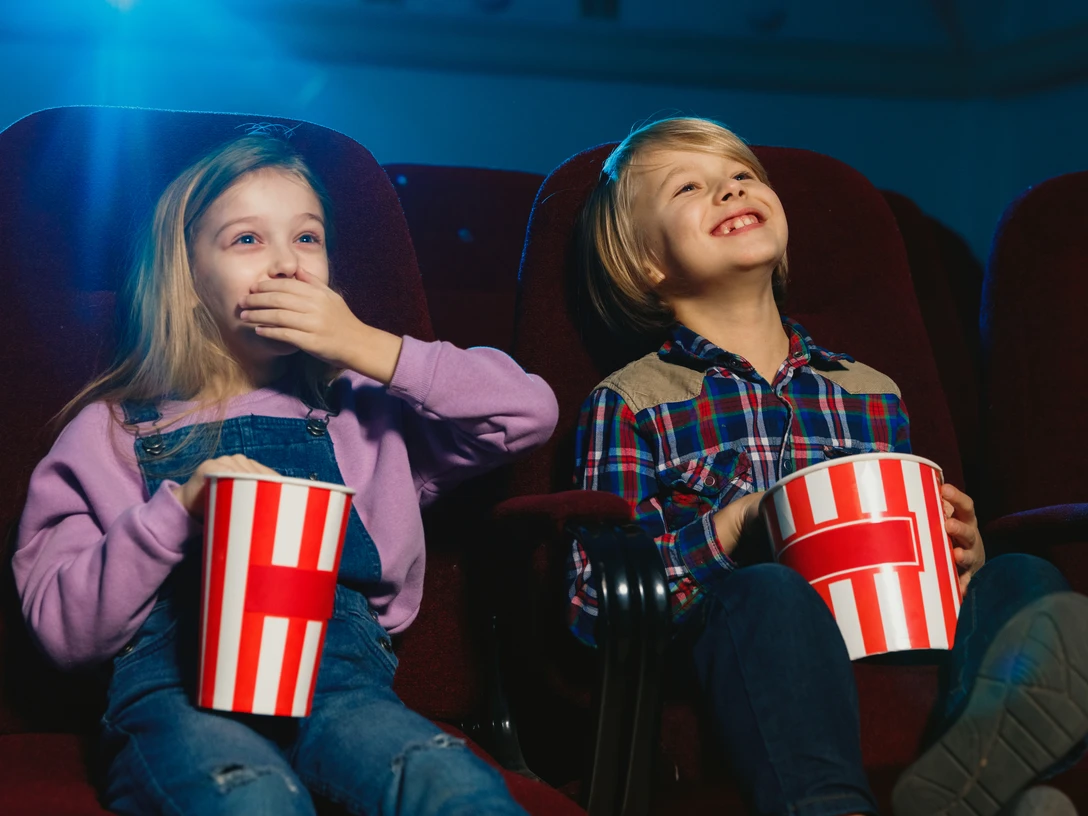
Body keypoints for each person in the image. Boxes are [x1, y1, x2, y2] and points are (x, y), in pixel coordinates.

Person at [14, 134, 559, 816]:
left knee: (455, 789)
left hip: (342, 691)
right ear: (185, 282)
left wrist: (366, 346)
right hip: (179, 693)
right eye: (247, 240)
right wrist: (176, 512)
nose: (286, 264)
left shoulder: (365, 411)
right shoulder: (112, 433)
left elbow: (529, 413)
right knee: (252, 801)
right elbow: (64, 633)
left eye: (307, 238)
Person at [569, 116, 1088, 816]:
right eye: (691, 187)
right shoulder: (632, 402)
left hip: (897, 634)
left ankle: (970, 779)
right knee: (771, 592)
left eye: (743, 177)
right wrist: (733, 526)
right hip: (752, 643)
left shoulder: (871, 389)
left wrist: (958, 551)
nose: (730, 190)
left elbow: (913, 564)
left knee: (1024, 576)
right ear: (647, 266)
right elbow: (592, 601)